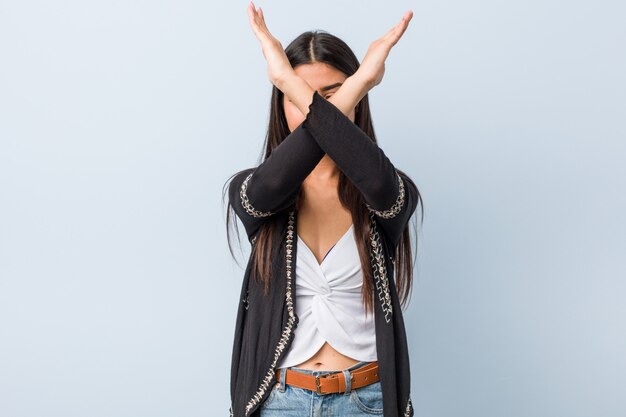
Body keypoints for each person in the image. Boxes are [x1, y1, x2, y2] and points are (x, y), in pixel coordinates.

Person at [224, 2, 423, 416]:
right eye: (295, 96)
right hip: (279, 401)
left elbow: (379, 182)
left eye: (332, 94)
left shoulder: (388, 189)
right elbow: (269, 186)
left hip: (366, 400)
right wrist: (356, 84)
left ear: (357, 99)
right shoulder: (255, 189)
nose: (311, 109)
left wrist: (296, 83)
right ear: (279, 103)